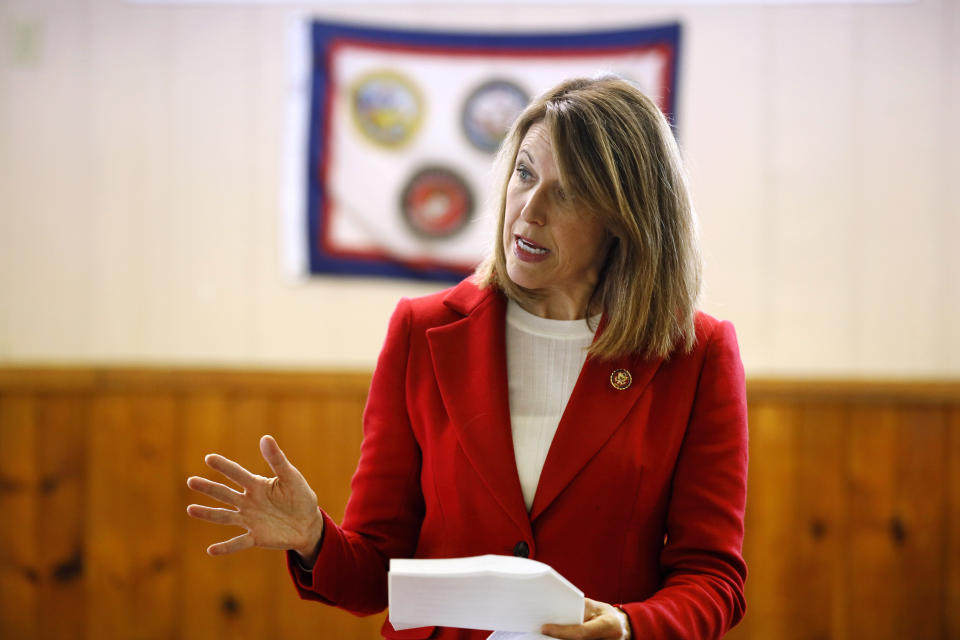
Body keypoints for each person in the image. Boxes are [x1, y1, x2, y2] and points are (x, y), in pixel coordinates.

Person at [187, 76, 748, 640]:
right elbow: (377, 576)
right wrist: (313, 538)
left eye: (570, 191)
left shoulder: (696, 356)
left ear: (625, 220)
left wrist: (628, 626)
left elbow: (712, 577)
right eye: (526, 173)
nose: (530, 208)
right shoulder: (423, 332)